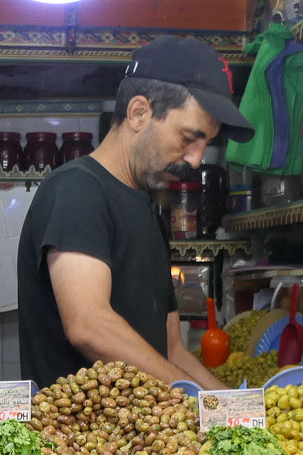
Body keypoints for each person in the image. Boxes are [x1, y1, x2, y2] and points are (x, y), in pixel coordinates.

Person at [17, 36, 251, 388]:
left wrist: (237, 411)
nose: (197, 159)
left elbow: (170, 348)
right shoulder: (76, 191)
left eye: (206, 144)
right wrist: (187, 400)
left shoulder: (148, 212)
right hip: (77, 439)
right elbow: (88, 324)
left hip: (145, 441)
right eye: (189, 137)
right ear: (139, 112)